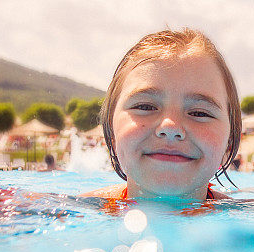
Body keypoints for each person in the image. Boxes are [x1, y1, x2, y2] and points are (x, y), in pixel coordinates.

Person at [79, 28, 241, 200]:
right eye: (145, 107)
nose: (170, 127)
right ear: (112, 133)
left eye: (199, 113)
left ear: (228, 144)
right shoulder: (69, 212)